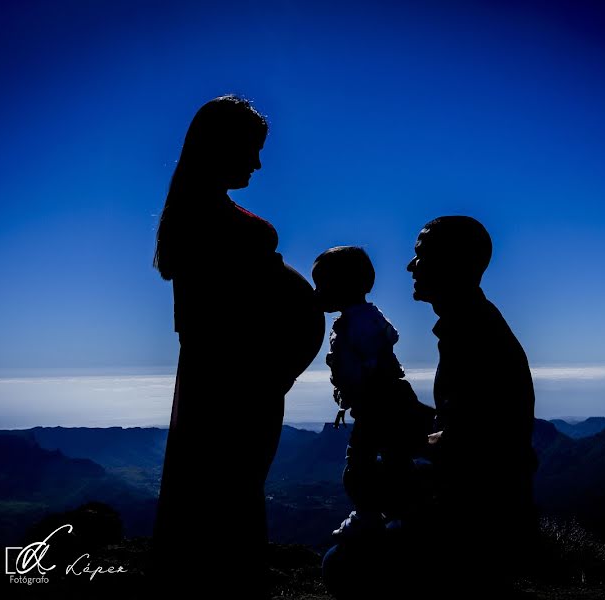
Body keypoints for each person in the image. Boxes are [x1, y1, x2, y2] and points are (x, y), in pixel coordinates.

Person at [151, 95, 324, 596]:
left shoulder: (199, 212)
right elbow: (211, 320)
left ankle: (222, 580)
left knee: (228, 486)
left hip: (240, 377)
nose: (258, 161)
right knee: (228, 487)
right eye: (251, 147)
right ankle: (229, 585)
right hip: (234, 381)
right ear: (219, 146)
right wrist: (267, 366)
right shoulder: (204, 217)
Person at [407, 215, 538, 597]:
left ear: (454, 263)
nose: (411, 265)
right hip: (490, 508)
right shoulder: (472, 324)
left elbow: (468, 443)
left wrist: (403, 434)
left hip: (477, 518)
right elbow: (462, 421)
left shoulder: (473, 335)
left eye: (421, 255)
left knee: (348, 564)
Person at [311, 246, 433, 539]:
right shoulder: (362, 318)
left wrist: (364, 392)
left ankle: (371, 514)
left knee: (361, 464)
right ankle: (404, 513)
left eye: (322, 284)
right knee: (393, 459)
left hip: (380, 404)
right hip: (382, 401)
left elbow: (375, 360)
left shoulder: (360, 323)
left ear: (345, 286)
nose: (317, 292)